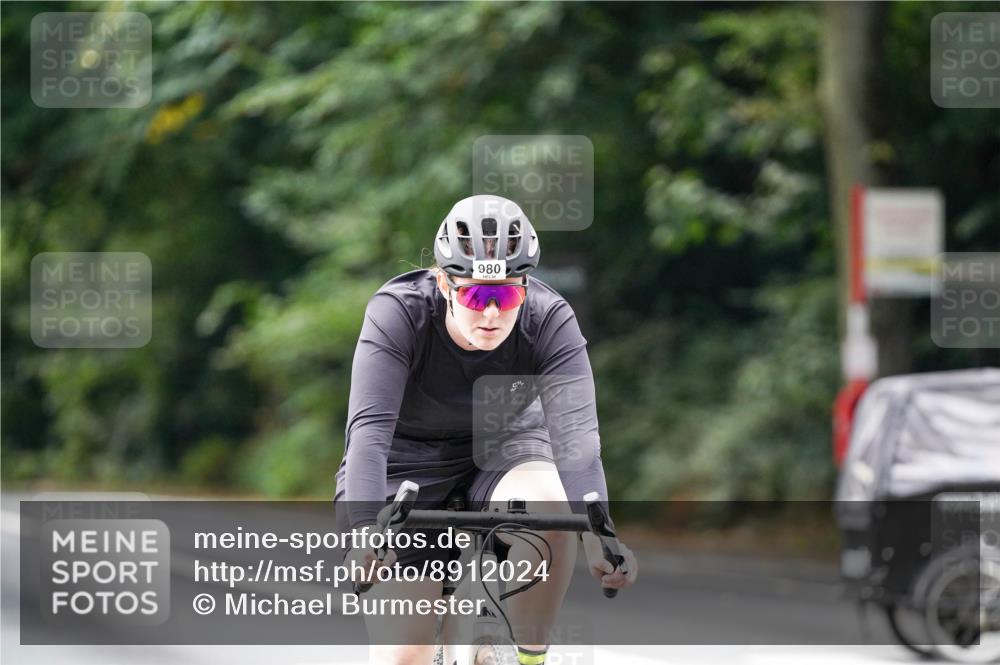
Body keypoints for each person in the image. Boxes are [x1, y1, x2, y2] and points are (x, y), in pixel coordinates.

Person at [333, 194, 637, 665]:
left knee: (552, 514)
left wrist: (600, 538)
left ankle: (529, 656)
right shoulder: (398, 312)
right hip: (406, 462)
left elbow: (577, 441)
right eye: (476, 296)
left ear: (525, 287)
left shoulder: (549, 318)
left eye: (507, 295)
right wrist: (365, 530)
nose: (492, 313)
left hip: (505, 447)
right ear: (443, 283)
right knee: (404, 656)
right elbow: (369, 435)